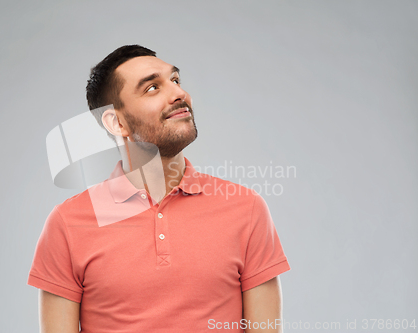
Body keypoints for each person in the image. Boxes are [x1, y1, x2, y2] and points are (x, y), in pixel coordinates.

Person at [27, 45, 291, 333]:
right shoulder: (67, 223)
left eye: (175, 80)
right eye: (152, 88)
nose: (179, 94)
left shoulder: (246, 209)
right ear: (116, 122)